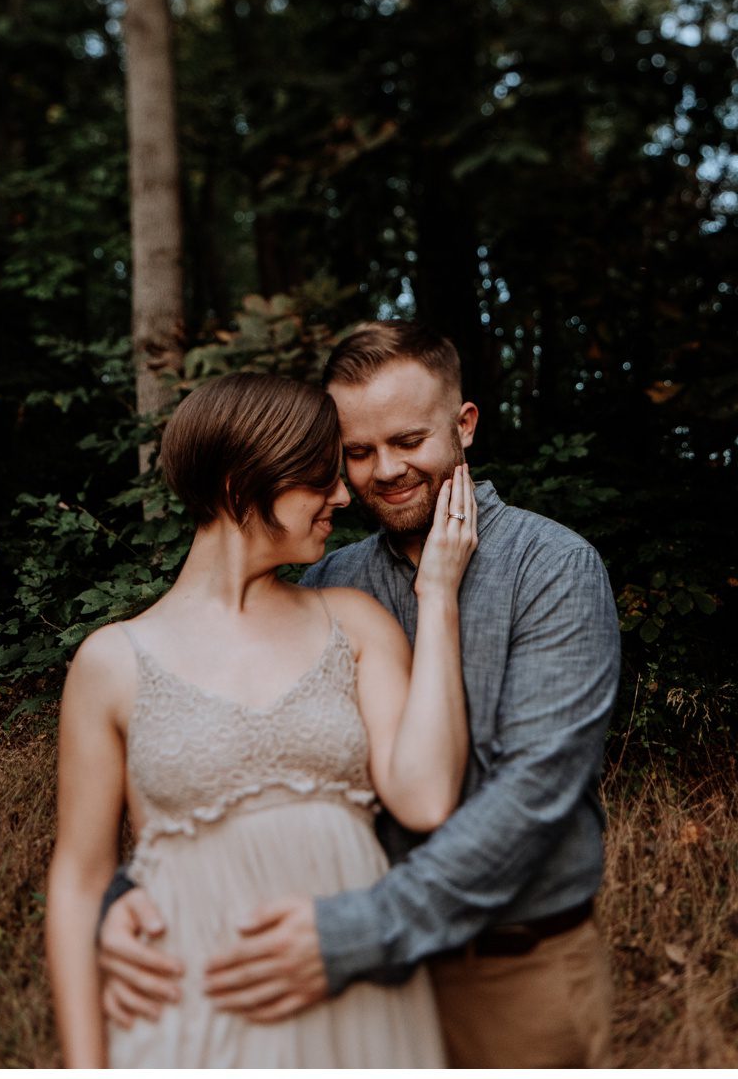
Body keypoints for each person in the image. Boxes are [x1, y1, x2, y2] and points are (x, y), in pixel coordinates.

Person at [98, 321, 622, 1067]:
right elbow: (241, 763)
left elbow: (534, 796)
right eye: (358, 452)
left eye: (409, 441)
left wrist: (356, 931)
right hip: (348, 982)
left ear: (464, 425)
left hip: (509, 973)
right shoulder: (325, 584)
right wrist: (130, 897)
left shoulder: (552, 569)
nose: (385, 471)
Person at [45, 370, 479, 1067]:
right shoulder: (112, 662)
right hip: (188, 1004)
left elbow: (425, 796)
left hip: (350, 1001)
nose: (343, 494)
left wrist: (439, 596)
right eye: (318, 478)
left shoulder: (354, 624)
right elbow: (79, 882)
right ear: (238, 486)